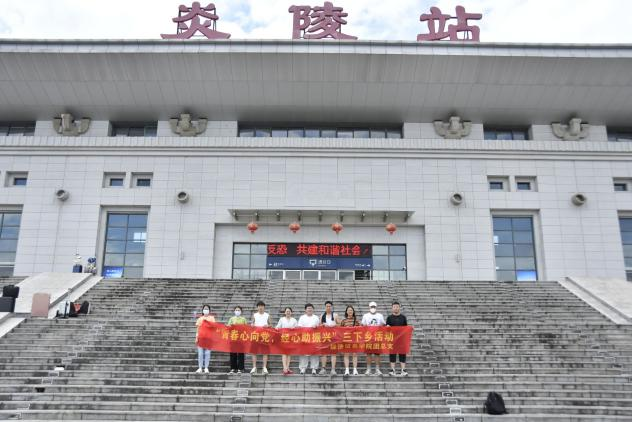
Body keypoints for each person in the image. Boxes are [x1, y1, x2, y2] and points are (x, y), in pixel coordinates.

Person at [361, 301, 386, 375]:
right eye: (371, 307)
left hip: (377, 337)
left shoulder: (380, 315)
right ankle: (368, 369)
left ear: (376, 307)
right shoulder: (365, 315)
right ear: (369, 307)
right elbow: (363, 325)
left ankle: (377, 369)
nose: (373, 308)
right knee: (368, 354)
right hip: (368, 337)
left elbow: (383, 324)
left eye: (374, 307)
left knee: (377, 354)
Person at [386, 301, 409, 376]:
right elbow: (386, 329)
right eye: (394, 307)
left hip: (401, 339)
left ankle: (403, 370)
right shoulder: (389, 318)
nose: (396, 308)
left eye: (397, 307)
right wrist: (387, 327)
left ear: (399, 308)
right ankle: (392, 370)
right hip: (392, 339)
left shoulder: (403, 317)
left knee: (402, 354)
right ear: (392, 308)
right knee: (392, 354)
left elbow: (406, 328)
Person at [297, 303, 320, 375]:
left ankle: (314, 368)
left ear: (313, 309)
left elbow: (320, 327)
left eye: (311, 308)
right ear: (305, 310)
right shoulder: (302, 317)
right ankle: (303, 367)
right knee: (303, 353)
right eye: (308, 308)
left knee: (314, 353)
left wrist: (316, 327)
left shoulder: (316, 317)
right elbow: (299, 327)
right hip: (305, 337)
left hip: (314, 337)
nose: (309, 309)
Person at [251, 301, 271, 375]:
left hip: (264, 335)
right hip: (256, 334)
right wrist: (252, 325)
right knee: (254, 351)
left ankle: (264, 367)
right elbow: (252, 323)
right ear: (257, 307)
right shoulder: (254, 315)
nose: (260, 307)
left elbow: (271, 325)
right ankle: (254, 367)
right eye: (259, 306)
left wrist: (268, 326)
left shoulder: (267, 315)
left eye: (262, 306)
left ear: (264, 307)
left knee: (265, 352)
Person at [276, 307, 298, 375]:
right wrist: (277, 328)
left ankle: (288, 367)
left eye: (289, 311)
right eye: (287, 311)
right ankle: (284, 368)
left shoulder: (294, 320)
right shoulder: (281, 319)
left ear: (291, 312)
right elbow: (278, 327)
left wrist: (294, 328)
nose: (288, 312)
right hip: (284, 337)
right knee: (284, 353)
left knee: (289, 353)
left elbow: (297, 328)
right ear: (285, 312)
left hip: (291, 338)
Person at [319, 300, 340, 375]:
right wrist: (323, 325)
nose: (328, 307)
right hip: (325, 336)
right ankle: (323, 368)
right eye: (327, 306)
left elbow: (340, 324)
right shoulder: (322, 315)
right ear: (325, 307)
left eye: (329, 306)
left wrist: (334, 325)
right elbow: (319, 325)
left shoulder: (335, 315)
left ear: (331, 307)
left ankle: (333, 369)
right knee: (324, 353)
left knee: (333, 353)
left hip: (334, 336)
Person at [226, 305, 248, 374]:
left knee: (241, 354)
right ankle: (233, 368)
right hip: (233, 338)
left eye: (239, 310)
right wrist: (231, 326)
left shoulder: (243, 319)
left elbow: (246, 328)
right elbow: (228, 327)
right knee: (233, 354)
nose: (237, 311)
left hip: (241, 338)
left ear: (241, 311)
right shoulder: (231, 319)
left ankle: (241, 368)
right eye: (236, 310)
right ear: (234, 311)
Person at [339, 305, 360, 376]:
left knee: (354, 354)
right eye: (348, 310)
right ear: (346, 312)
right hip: (346, 339)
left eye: (351, 310)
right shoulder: (343, 321)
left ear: (353, 311)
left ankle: (355, 369)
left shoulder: (356, 321)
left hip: (354, 339)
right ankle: (347, 369)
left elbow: (361, 329)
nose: (350, 311)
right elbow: (340, 330)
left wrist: (355, 328)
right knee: (346, 354)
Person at [195, 304, 215, 373]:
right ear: (202, 310)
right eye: (204, 309)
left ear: (209, 310)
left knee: (207, 353)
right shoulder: (200, 318)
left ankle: (206, 367)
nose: (205, 310)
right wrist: (196, 337)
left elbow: (213, 327)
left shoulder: (212, 318)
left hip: (208, 338)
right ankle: (200, 367)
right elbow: (198, 329)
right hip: (201, 338)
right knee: (200, 354)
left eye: (207, 309)